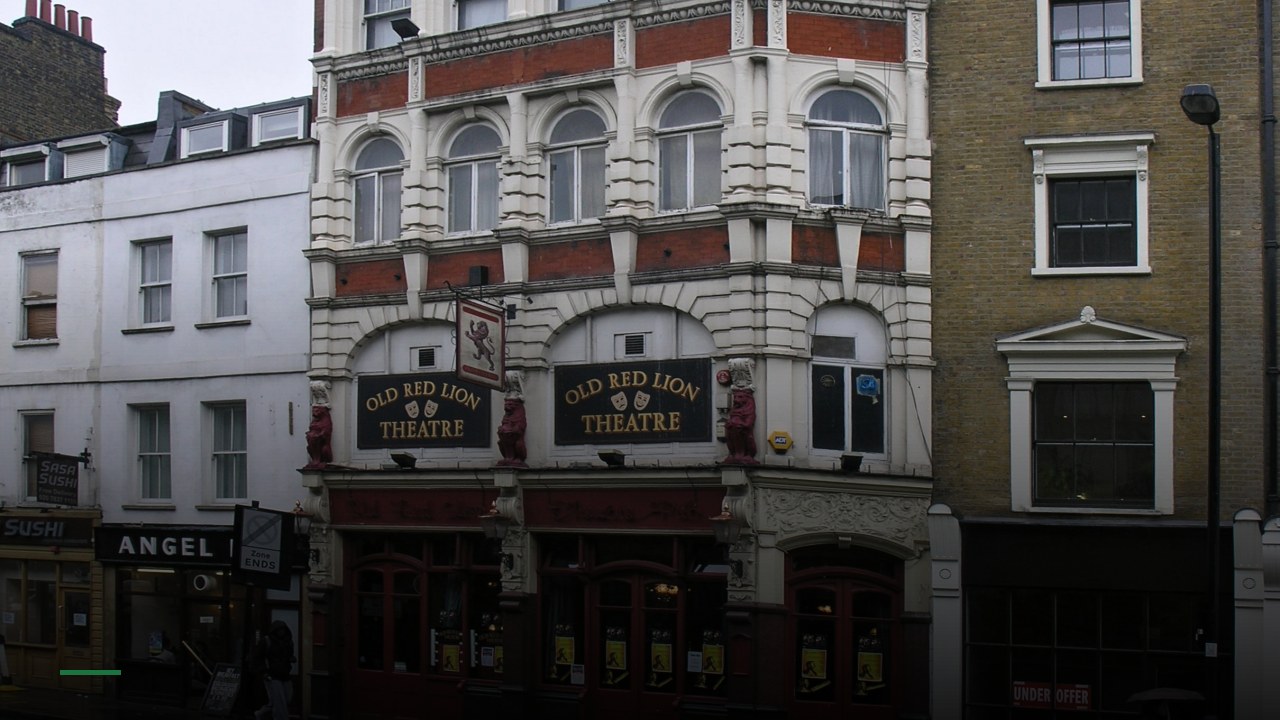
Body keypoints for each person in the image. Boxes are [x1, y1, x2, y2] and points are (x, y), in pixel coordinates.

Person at [252, 621, 294, 720]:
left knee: (286, 699)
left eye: (283, 629)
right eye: (279, 629)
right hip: (272, 675)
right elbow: (257, 658)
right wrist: (264, 672)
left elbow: (288, 655)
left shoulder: (288, 641)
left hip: (285, 674)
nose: (281, 632)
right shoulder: (267, 641)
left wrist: (291, 659)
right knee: (280, 703)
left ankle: (260, 714)